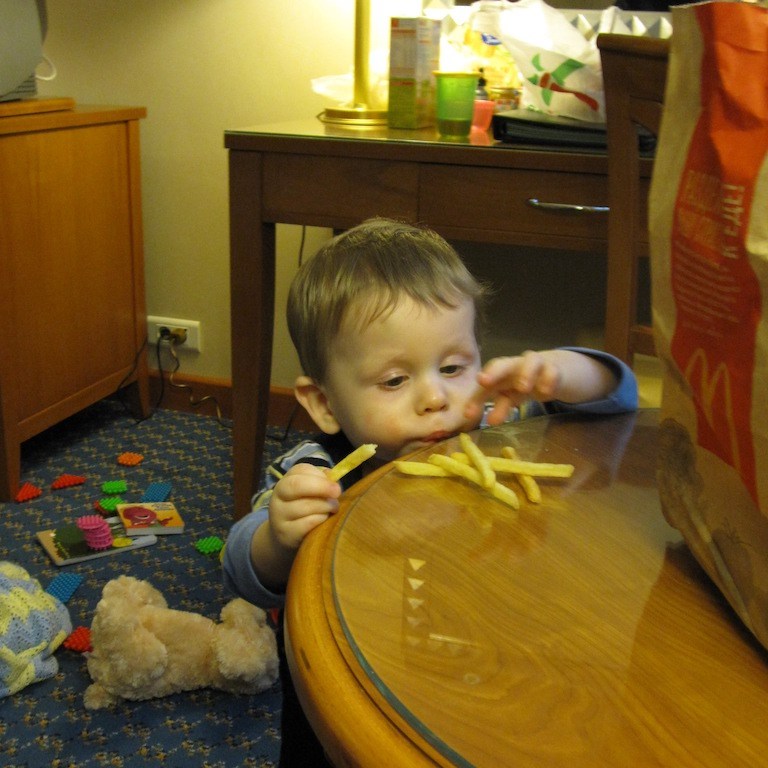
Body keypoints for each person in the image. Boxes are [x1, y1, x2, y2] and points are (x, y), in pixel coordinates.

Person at [223, 217, 637, 766]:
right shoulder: (319, 471)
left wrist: (567, 372)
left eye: (453, 366)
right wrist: (278, 537)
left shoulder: (492, 426)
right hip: (348, 681)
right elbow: (240, 565)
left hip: (475, 656)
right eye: (395, 381)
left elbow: (617, 400)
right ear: (323, 403)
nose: (435, 398)